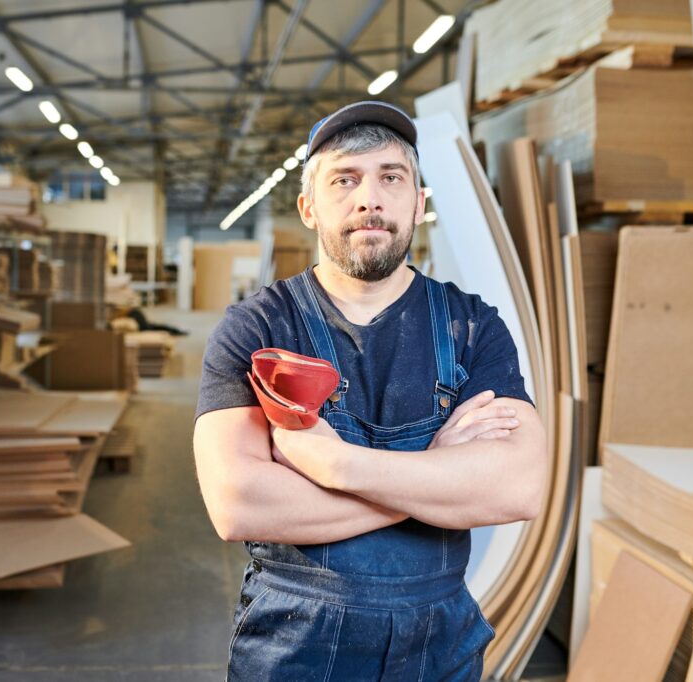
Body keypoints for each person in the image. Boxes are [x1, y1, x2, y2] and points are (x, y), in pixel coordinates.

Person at [193, 101, 548, 680]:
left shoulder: (472, 326)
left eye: (391, 177)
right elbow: (238, 504)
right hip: (292, 644)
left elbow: (518, 486)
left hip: (439, 646)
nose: (370, 198)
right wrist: (434, 471)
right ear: (309, 207)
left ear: (419, 203)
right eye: (344, 179)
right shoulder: (256, 328)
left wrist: (333, 464)